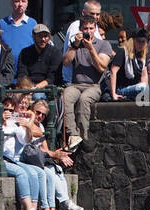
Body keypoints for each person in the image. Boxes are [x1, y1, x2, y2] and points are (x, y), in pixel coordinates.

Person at [61, 13, 112, 151]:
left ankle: (84, 136)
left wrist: (91, 48)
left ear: (95, 29)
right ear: (80, 29)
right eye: (85, 28)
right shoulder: (75, 44)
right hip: (76, 84)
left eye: (91, 28)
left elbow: (101, 67)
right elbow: (65, 62)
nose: (88, 31)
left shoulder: (103, 44)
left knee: (84, 100)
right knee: (65, 96)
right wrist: (75, 46)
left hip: (94, 85)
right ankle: (73, 135)